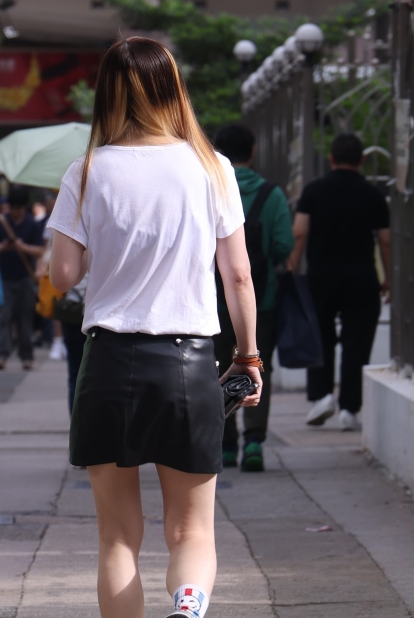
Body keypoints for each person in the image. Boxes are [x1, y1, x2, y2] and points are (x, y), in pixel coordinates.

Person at [50, 37, 262, 618]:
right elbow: (238, 276)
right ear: (173, 90)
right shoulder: (212, 167)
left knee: (118, 538)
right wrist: (247, 356)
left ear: (107, 93)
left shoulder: (86, 171)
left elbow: (63, 275)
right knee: (191, 531)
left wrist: (91, 238)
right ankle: (188, 606)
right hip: (187, 364)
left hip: (107, 362)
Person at [287, 132, 391, 431]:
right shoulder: (373, 194)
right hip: (362, 277)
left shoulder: (314, 190)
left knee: (319, 336)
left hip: (321, 277)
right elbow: (385, 240)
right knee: (357, 342)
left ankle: (322, 397)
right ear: (362, 160)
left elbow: (300, 232)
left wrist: (293, 268)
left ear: (331, 159)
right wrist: (389, 277)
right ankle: (349, 408)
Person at [209, 124, 293, 472]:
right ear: (253, 152)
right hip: (262, 299)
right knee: (256, 364)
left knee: (217, 367)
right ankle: (254, 441)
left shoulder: (210, 187)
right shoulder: (272, 195)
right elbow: (284, 244)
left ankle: (226, 444)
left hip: (214, 302)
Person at [0, 185, 46, 370]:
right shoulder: (0, 223)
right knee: (3, 317)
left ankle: (26, 356)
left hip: (24, 278)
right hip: (3, 277)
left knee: (25, 318)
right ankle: (1, 355)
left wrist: (22, 247)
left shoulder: (32, 224)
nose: (15, 211)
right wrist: (4, 247)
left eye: (18, 208)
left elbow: (40, 250)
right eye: (13, 207)